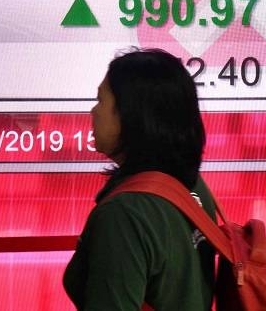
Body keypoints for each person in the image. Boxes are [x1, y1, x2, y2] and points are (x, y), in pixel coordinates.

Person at [63, 48, 217, 310]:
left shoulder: (124, 215)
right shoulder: (191, 186)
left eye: (101, 101)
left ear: (131, 115)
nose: (93, 111)